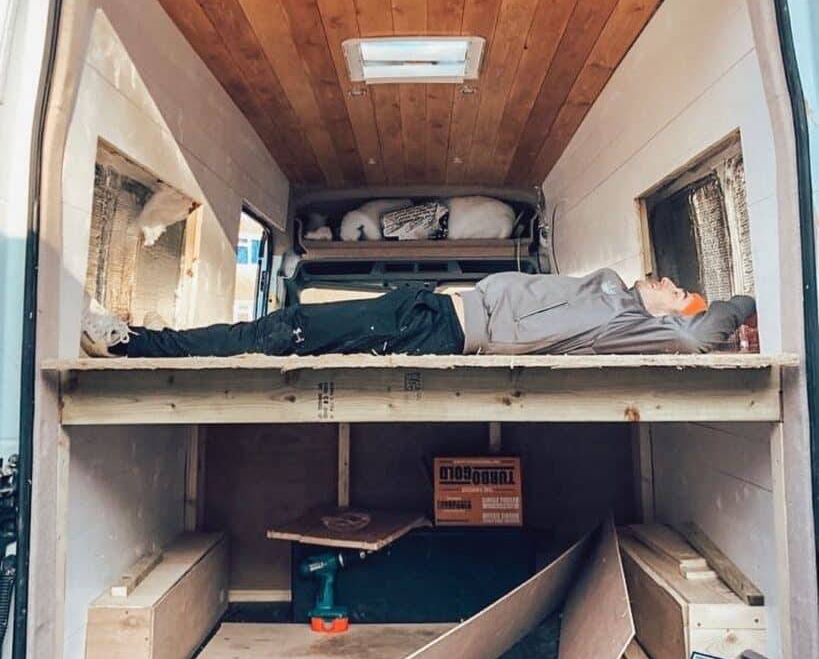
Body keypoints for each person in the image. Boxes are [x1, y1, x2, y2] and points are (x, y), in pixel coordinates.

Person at [80, 268, 756, 359]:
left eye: (675, 288)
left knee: (279, 330)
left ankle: (131, 343)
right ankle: (136, 338)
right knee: (285, 324)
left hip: (433, 328)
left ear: (677, 310)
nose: (663, 280)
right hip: (426, 305)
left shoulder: (635, 327)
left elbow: (702, 337)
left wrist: (740, 302)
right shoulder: (605, 288)